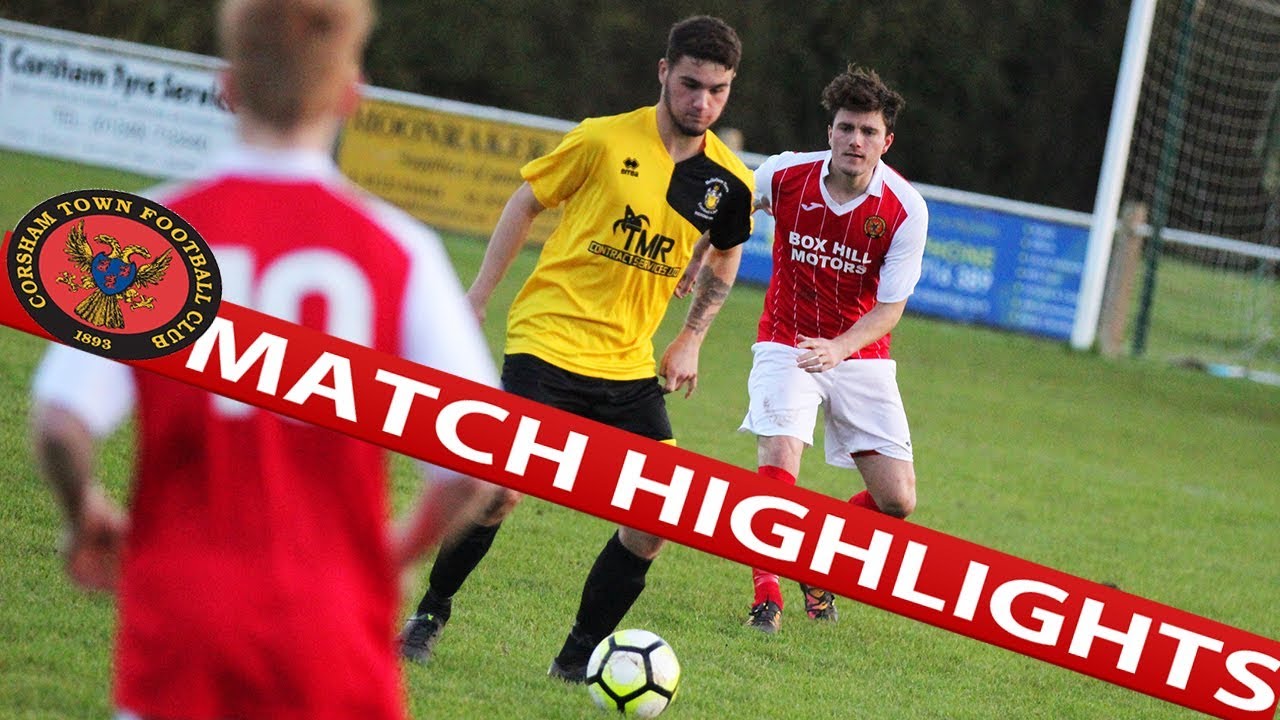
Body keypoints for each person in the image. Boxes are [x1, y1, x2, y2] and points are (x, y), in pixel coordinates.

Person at [28, 1, 498, 718]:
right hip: (331, 627)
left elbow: (61, 426)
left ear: (227, 86)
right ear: (350, 96)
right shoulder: (400, 251)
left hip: (183, 619)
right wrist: (395, 555)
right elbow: (472, 461)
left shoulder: (151, 235)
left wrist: (82, 510)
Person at [399, 15, 755, 681]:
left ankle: (575, 660)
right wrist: (478, 295)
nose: (702, 102)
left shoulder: (729, 180)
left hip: (628, 364)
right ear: (663, 73)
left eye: (718, 90)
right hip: (547, 339)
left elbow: (728, 251)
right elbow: (525, 202)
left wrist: (691, 338)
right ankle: (430, 611)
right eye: (689, 85)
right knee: (499, 489)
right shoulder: (602, 138)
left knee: (655, 520)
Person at [738, 64, 928, 633]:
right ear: (830, 131)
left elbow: (890, 310)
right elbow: (731, 213)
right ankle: (766, 599)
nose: (855, 140)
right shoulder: (783, 175)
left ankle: (812, 557)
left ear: (886, 142)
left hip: (859, 350)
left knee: (897, 501)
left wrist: (839, 348)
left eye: (869, 132)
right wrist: (699, 257)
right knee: (779, 461)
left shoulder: (904, 209)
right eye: (846, 127)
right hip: (787, 339)